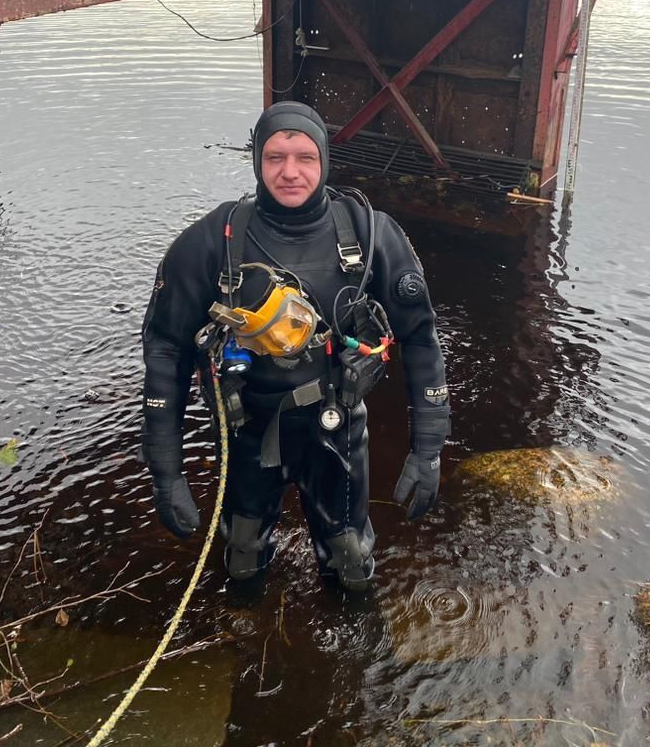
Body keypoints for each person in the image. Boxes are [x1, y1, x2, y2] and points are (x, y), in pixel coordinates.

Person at [141, 101, 450, 591]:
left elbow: (420, 338)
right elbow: (165, 350)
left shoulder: (371, 234)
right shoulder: (213, 241)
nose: (290, 172)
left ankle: (353, 655)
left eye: (305, 157)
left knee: (350, 562)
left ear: (325, 161)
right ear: (257, 162)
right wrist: (166, 468)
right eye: (274, 157)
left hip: (337, 427)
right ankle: (246, 639)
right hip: (245, 428)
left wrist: (428, 447)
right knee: (241, 556)